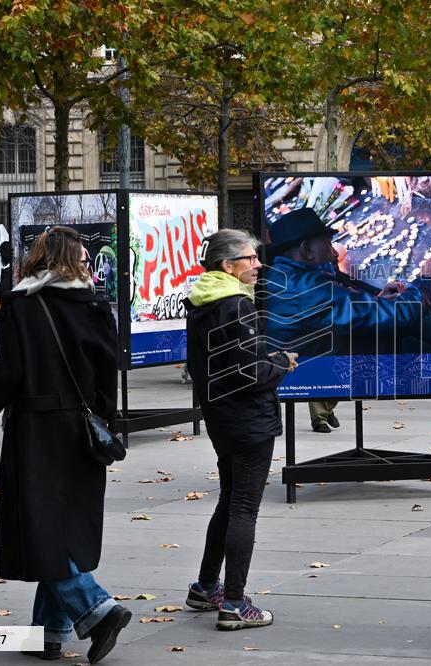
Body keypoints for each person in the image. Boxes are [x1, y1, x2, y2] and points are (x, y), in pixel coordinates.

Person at [0, 226, 130, 663]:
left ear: (39, 259)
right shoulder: (95, 305)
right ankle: (47, 634)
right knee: (61, 524)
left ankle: (96, 609)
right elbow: (108, 373)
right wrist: (104, 420)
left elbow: (11, 372)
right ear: (76, 261)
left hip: (37, 428)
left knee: (40, 524)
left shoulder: (22, 305)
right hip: (83, 427)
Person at [184, 229, 297, 631]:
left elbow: (223, 364)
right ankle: (233, 603)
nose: (258, 264)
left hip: (221, 415)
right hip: (248, 419)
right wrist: (281, 364)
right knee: (244, 508)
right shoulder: (235, 305)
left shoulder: (203, 300)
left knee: (229, 501)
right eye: (249, 259)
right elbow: (250, 372)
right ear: (227, 265)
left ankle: (205, 587)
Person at [263, 207, 431, 360]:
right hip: (322, 373)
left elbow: (327, 313)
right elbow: (401, 313)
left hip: (313, 354)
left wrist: (376, 301)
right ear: (307, 250)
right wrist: (426, 277)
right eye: (328, 244)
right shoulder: (309, 288)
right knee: (392, 335)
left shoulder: (280, 275)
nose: (334, 253)